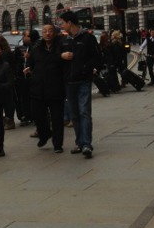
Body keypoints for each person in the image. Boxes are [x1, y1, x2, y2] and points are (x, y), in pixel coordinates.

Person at [59, 10, 101, 159]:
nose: (61, 26)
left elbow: (97, 58)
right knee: (74, 114)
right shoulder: (63, 41)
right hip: (69, 81)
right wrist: (61, 55)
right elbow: (56, 59)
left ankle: (87, 144)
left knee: (84, 112)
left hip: (83, 80)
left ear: (69, 23)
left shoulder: (88, 38)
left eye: (62, 23)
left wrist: (85, 68)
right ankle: (79, 142)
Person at [25, 24, 66, 152]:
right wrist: (28, 69)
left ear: (54, 33)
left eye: (50, 31)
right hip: (38, 88)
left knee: (57, 118)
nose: (47, 33)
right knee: (37, 115)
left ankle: (58, 145)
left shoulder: (62, 46)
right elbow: (30, 64)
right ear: (42, 33)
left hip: (56, 87)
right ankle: (44, 134)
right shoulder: (36, 48)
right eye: (45, 31)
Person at [0, 35, 17, 130]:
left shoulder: (4, 55)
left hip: (5, 81)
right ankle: (8, 119)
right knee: (7, 102)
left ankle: (9, 120)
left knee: (6, 102)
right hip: (7, 81)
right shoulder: (8, 53)